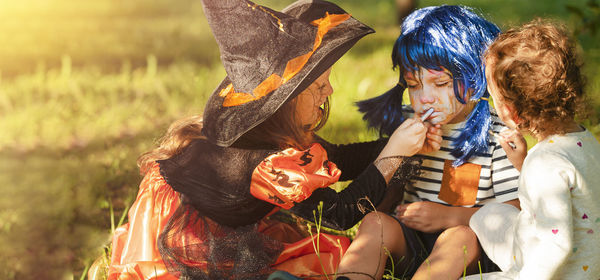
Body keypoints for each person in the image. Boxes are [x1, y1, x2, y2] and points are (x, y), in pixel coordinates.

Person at [89, 0, 431, 279]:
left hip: (221, 207)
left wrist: (400, 144)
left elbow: (339, 159)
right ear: (283, 103)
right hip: (188, 230)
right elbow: (337, 214)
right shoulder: (268, 164)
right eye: (318, 86)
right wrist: (393, 156)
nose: (330, 90)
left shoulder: (274, 134)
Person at [336, 6, 521, 280]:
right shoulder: (410, 125)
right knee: (376, 223)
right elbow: (384, 200)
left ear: (476, 76)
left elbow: (516, 210)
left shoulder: (497, 134)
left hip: (470, 251)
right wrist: (403, 155)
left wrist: (450, 218)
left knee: (461, 237)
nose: (424, 98)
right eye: (413, 85)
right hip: (412, 243)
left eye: (440, 82)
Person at [465, 19, 600, 279]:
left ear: (512, 112)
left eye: (494, 96)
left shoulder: (544, 163)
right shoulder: (585, 140)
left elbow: (554, 246)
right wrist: (522, 163)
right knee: (490, 213)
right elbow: (565, 190)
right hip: (587, 260)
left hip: (552, 271)